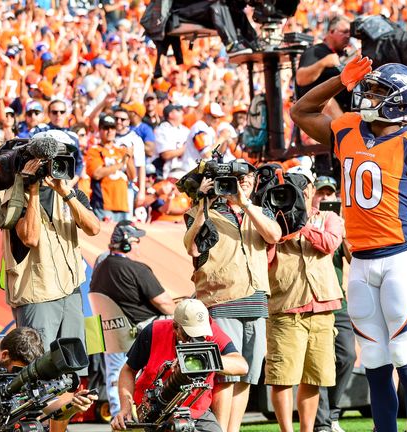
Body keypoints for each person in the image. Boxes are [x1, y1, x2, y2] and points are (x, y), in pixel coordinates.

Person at [290, 58, 407, 432]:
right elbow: (300, 110)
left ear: (402, 102)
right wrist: (339, 80)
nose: (368, 96)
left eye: (380, 91)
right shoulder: (349, 130)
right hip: (361, 263)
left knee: (405, 357)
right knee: (374, 361)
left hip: (400, 257)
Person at [183, 160, 281, 432]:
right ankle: (220, 429)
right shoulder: (202, 211)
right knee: (225, 374)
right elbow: (192, 248)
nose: (243, 181)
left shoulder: (260, 211)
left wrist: (245, 204)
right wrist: (204, 202)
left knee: (248, 374)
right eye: (237, 177)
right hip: (220, 300)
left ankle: (233, 429)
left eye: (248, 176)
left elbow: (274, 236)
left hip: (257, 301)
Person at [1, 129, 100, 350]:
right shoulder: (15, 197)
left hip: (71, 290)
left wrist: (66, 193)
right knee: (39, 368)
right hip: (38, 295)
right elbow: (30, 238)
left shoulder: (70, 194)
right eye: (53, 157)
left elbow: (94, 228)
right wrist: (33, 188)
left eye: (65, 156)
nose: (59, 163)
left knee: (71, 368)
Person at [265, 166, 343, 432]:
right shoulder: (273, 221)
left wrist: (303, 223)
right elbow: (265, 259)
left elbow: (330, 243)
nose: (298, 191)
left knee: (314, 376)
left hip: (323, 306)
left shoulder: (329, 217)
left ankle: (307, 430)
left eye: (301, 186)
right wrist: (282, 224)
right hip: (287, 307)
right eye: (291, 186)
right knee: (283, 377)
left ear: (310, 189)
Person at [111, 299, 249, 432]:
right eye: (190, 333)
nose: (197, 339)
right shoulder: (154, 331)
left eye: (201, 333)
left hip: (195, 411)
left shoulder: (212, 333)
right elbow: (128, 370)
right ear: (175, 327)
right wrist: (126, 408)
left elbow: (242, 366)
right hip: (152, 411)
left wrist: (206, 357)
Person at [90, 220, 179, 417]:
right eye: (137, 241)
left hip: (110, 336)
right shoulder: (137, 269)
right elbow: (165, 304)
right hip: (140, 336)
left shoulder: (99, 269)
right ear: (127, 244)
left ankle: (119, 420)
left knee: (115, 379)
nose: (139, 246)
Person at [312, 176, 356, 432]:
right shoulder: (305, 219)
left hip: (338, 301)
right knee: (319, 361)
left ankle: (333, 411)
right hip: (313, 300)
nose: (326, 199)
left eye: (330, 195)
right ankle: (323, 422)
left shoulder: (339, 225)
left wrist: (345, 232)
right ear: (312, 195)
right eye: (322, 194)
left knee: (347, 356)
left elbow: (352, 258)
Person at [295, 16, 352, 117]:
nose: (348, 36)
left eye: (350, 33)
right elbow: (300, 78)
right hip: (327, 119)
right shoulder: (316, 51)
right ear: (331, 32)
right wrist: (323, 62)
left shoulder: (344, 55)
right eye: (344, 32)